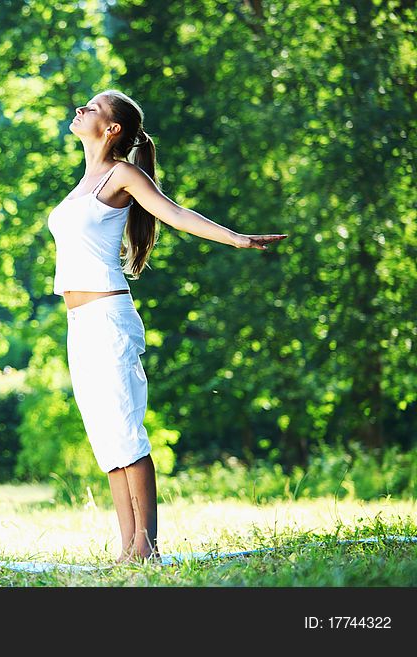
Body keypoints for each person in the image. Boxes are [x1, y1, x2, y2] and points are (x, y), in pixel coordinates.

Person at [47, 90, 287, 565]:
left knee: (126, 433)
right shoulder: (84, 181)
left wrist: (235, 238)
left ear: (111, 129)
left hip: (108, 319)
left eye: (91, 108)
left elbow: (174, 213)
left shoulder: (122, 174)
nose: (80, 111)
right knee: (105, 437)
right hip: (80, 324)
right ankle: (127, 549)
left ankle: (148, 546)